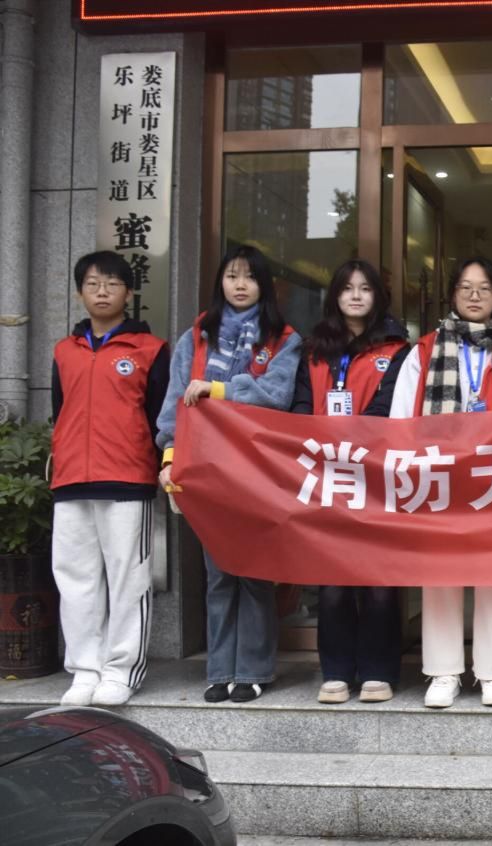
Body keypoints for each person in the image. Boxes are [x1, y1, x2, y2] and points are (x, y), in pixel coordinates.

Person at [388, 257, 492, 708]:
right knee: (440, 572)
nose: (475, 296)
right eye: (466, 287)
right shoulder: (423, 350)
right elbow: (399, 418)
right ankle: (443, 671)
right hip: (439, 475)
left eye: (484, 288)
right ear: (452, 295)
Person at [157, 245, 302, 704]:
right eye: (232, 276)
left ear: (264, 285)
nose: (240, 285)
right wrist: (169, 457)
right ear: (220, 282)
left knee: (254, 571)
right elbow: (175, 401)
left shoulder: (283, 339)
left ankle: (254, 671)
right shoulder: (196, 337)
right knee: (218, 573)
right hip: (205, 468)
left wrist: (217, 389)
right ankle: (220, 671)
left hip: (258, 469)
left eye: (250, 277)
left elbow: (276, 395)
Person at [49, 251, 170, 707]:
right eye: (93, 284)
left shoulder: (150, 349)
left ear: (129, 292)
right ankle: (85, 670)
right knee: (74, 580)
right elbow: (59, 412)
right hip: (71, 481)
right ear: (79, 292)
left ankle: (122, 670)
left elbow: (161, 417)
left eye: (112, 284)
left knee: (128, 581)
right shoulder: (64, 351)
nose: (102, 292)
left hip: (127, 478)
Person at [292, 259, 410, 705]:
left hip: (378, 477)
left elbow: (390, 408)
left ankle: (379, 670)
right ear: (335, 296)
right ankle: (337, 670)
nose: (356, 296)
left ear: (378, 296)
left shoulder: (398, 350)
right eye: (347, 288)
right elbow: (299, 406)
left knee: (379, 581)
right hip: (327, 477)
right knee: (333, 582)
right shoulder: (314, 350)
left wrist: (353, 441)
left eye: (365, 288)